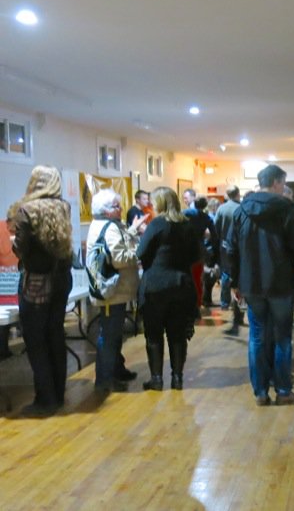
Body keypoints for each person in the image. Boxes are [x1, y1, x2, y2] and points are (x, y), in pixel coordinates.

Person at [228, 165, 294, 406]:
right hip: (280, 283)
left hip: (251, 284)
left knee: (257, 337)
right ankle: (284, 390)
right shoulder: (286, 209)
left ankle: (261, 392)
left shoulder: (241, 210)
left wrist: (235, 281)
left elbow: (231, 249)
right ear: (276, 182)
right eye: (282, 183)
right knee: (282, 338)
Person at [10, 166, 74, 416]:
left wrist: (14, 246)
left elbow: (21, 248)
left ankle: (45, 398)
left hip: (37, 280)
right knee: (55, 335)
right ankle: (58, 393)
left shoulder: (26, 210)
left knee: (35, 340)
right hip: (61, 277)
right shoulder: (63, 207)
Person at [136, 187, 200, 392]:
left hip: (156, 285)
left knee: (154, 334)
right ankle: (177, 378)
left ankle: (156, 379)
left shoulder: (157, 224)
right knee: (178, 334)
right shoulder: (187, 225)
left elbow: (140, 252)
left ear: (160, 203)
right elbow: (197, 254)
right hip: (181, 283)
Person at [87, 189, 144, 392]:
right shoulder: (109, 227)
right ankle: (104, 379)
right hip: (112, 292)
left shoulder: (104, 224)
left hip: (114, 290)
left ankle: (116, 369)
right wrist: (139, 251)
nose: (121, 209)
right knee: (109, 335)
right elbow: (119, 259)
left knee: (114, 333)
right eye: (116, 206)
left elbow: (115, 245)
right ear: (106, 210)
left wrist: (132, 231)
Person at [215, 185, 244, 334]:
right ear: (238, 194)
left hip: (225, 246)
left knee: (226, 274)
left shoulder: (221, 209)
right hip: (240, 247)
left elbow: (216, 228)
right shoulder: (241, 208)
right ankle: (239, 304)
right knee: (238, 275)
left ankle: (225, 302)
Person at [185, 196, 218, 308]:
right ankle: (197, 303)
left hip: (185, 245)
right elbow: (214, 235)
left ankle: (186, 302)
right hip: (199, 246)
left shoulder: (185, 213)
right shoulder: (206, 217)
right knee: (198, 276)